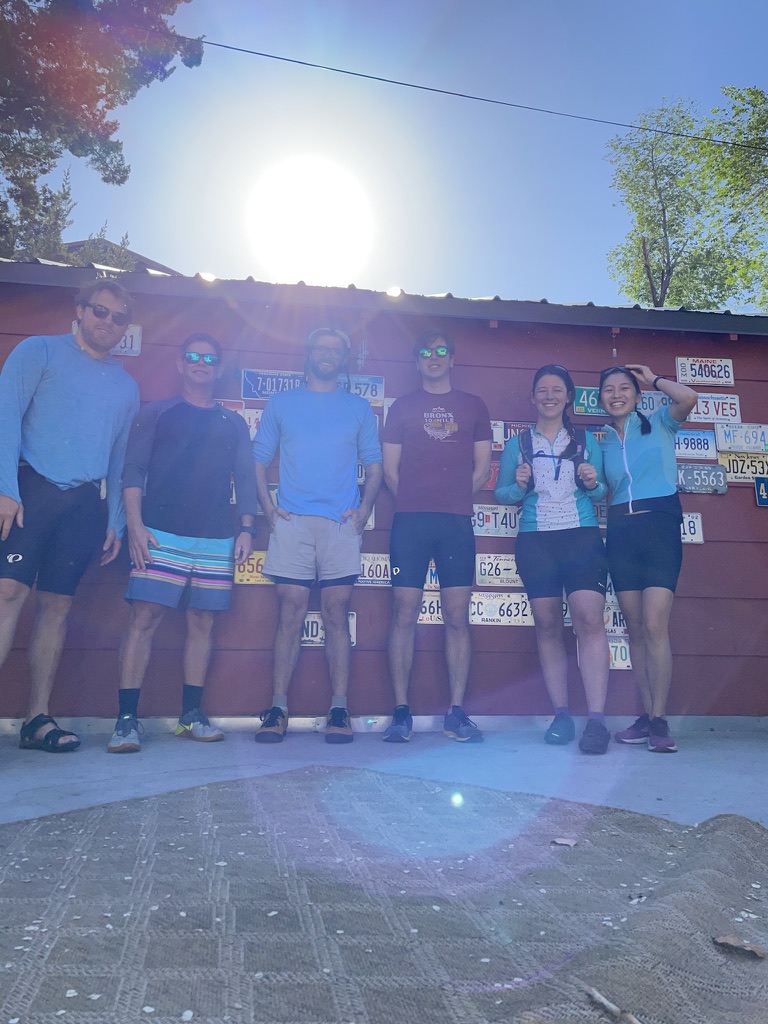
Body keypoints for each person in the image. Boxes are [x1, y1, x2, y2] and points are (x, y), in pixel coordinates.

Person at [0, 280, 139, 752]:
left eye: (119, 317)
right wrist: (5, 489)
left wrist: (116, 520)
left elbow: (120, 459)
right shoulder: (38, 351)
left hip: (83, 503)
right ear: (80, 310)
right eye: (100, 311)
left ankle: (37, 719)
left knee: (57, 607)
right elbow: (6, 416)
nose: (108, 322)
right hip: (30, 489)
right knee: (7, 594)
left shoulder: (126, 386)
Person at [107, 333, 258, 753]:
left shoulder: (233, 422)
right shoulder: (157, 412)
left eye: (210, 358)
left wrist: (247, 528)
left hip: (216, 538)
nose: (201, 363)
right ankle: (126, 720)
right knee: (144, 618)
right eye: (193, 356)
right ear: (180, 364)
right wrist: (134, 525)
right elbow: (133, 470)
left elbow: (246, 477)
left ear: (219, 368)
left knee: (202, 622)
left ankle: (190, 715)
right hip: (159, 532)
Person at [252, 327, 382, 744]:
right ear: (309, 352)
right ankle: (277, 709)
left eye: (336, 350)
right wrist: (269, 509)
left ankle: (339, 709)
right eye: (322, 348)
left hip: (340, 525)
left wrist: (363, 511)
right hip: (293, 522)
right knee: (290, 612)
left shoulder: (358, 408)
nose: (328, 355)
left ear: (344, 359)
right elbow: (258, 460)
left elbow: (375, 466)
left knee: (336, 613)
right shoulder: (282, 403)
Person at [381, 331, 492, 743]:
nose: (434, 357)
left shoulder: (473, 405)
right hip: (410, 522)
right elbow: (390, 472)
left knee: (457, 617)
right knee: (403, 614)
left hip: (455, 523)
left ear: (452, 359)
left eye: (441, 350)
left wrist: (454, 499)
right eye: (426, 352)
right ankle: (401, 713)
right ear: (417, 361)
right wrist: (416, 500)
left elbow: (482, 468)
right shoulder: (402, 406)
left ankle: (456, 713)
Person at [495, 364, 612, 754]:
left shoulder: (586, 440)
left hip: (581, 536)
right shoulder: (518, 443)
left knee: (589, 619)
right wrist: (519, 486)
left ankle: (596, 720)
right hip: (536, 540)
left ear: (568, 398)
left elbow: (601, 492)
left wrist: (593, 482)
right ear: (533, 398)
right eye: (542, 390)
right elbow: (503, 494)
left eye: (557, 390)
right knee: (547, 625)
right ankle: (561, 714)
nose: (549, 396)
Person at [598, 363, 697, 753]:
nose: (617, 395)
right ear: (601, 399)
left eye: (624, 388)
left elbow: (689, 397)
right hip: (621, 532)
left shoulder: (660, 422)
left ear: (637, 396)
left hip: (659, 526)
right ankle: (645, 716)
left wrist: (653, 378)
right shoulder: (603, 441)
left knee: (655, 624)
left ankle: (659, 719)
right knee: (635, 629)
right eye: (609, 389)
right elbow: (598, 489)